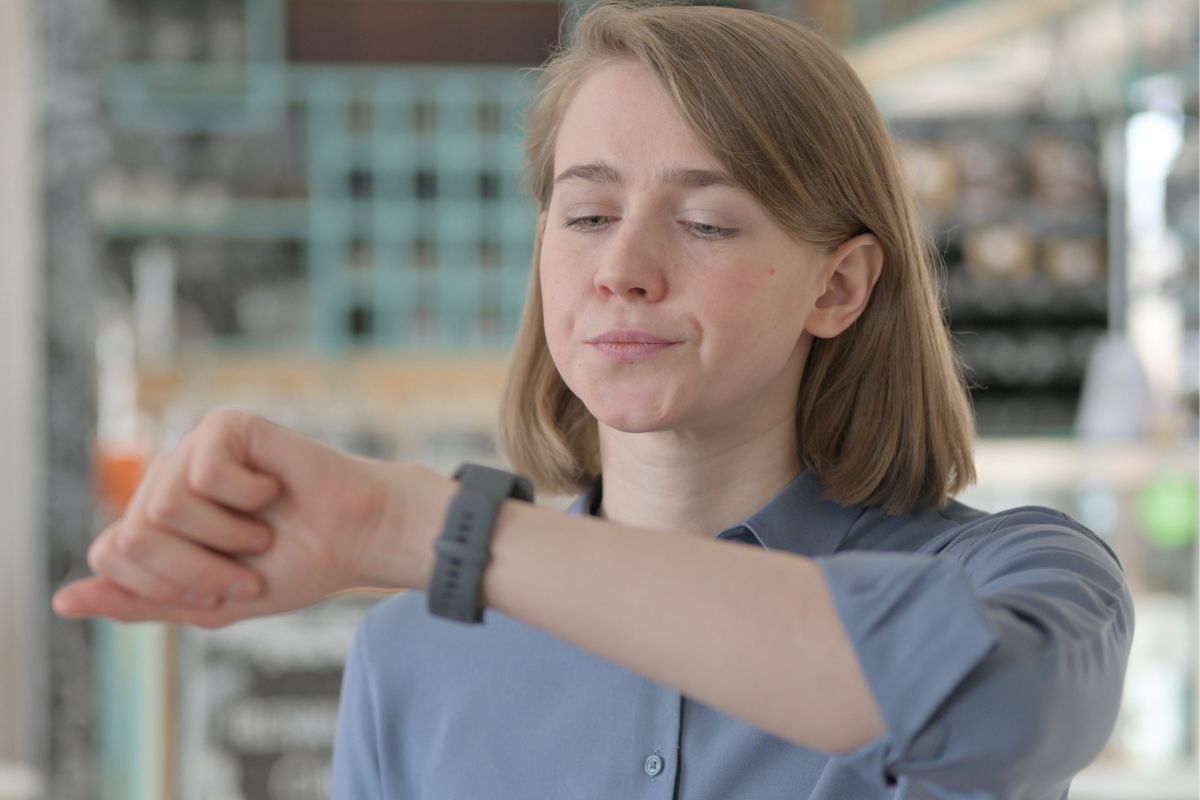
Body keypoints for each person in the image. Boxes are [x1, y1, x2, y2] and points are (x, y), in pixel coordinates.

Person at [54, 3, 1133, 798]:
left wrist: (423, 529)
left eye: (705, 221)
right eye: (585, 215)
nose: (625, 267)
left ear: (839, 285)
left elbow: (984, 699)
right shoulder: (412, 658)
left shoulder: (1022, 578)